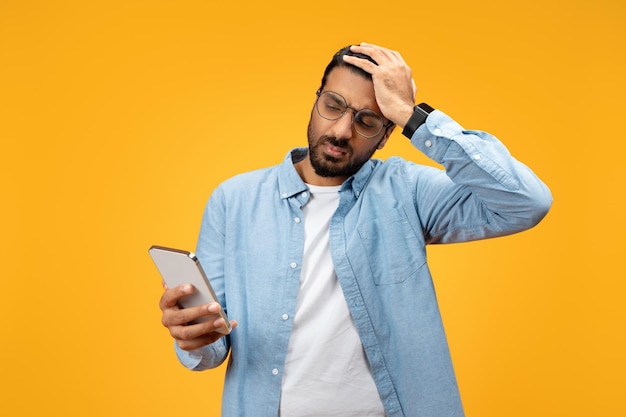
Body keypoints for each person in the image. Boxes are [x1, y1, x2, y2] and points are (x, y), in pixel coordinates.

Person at [159, 42, 552, 417]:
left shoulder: (407, 191)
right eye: (333, 106)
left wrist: (414, 116)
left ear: (386, 135)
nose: (343, 131)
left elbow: (526, 202)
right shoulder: (235, 200)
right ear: (316, 100)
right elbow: (210, 345)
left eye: (367, 121)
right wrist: (193, 338)